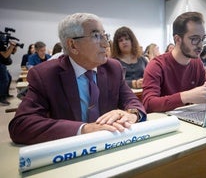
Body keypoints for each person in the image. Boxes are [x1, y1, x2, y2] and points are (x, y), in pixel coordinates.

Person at [8, 13, 146, 145]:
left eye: (105, 35)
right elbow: (21, 125)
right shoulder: (45, 75)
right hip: (69, 153)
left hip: (108, 144)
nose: (106, 44)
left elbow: (132, 101)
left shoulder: (113, 68)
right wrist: (84, 129)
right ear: (73, 45)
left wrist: (132, 114)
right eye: (96, 36)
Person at [142, 11, 206, 113]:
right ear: (178, 39)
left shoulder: (197, 63)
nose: (201, 45)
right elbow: (149, 104)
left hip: (189, 118)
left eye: (202, 39)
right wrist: (186, 96)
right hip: (165, 123)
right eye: (195, 39)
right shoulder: (156, 65)